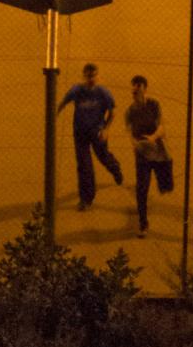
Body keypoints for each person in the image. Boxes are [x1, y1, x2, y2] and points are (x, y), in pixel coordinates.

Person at [57, 63, 123, 210]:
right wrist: (54, 114)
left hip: (97, 132)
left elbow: (113, 113)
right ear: (83, 76)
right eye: (88, 76)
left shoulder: (103, 93)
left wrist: (106, 129)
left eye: (93, 76)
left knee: (103, 156)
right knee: (84, 166)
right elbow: (63, 102)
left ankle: (115, 168)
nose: (91, 79)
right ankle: (86, 199)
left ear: (97, 76)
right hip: (80, 132)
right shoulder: (76, 90)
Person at [125, 75, 173, 239]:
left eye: (138, 86)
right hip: (143, 156)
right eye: (133, 86)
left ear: (145, 88)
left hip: (159, 153)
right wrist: (136, 144)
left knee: (166, 187)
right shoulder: (130, 111)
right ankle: (143, 222)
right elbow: (129, 132)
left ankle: (161, 187)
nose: (135, 89)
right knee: (142, 190)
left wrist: (152, 138)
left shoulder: (154, 105)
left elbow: (162, 128)